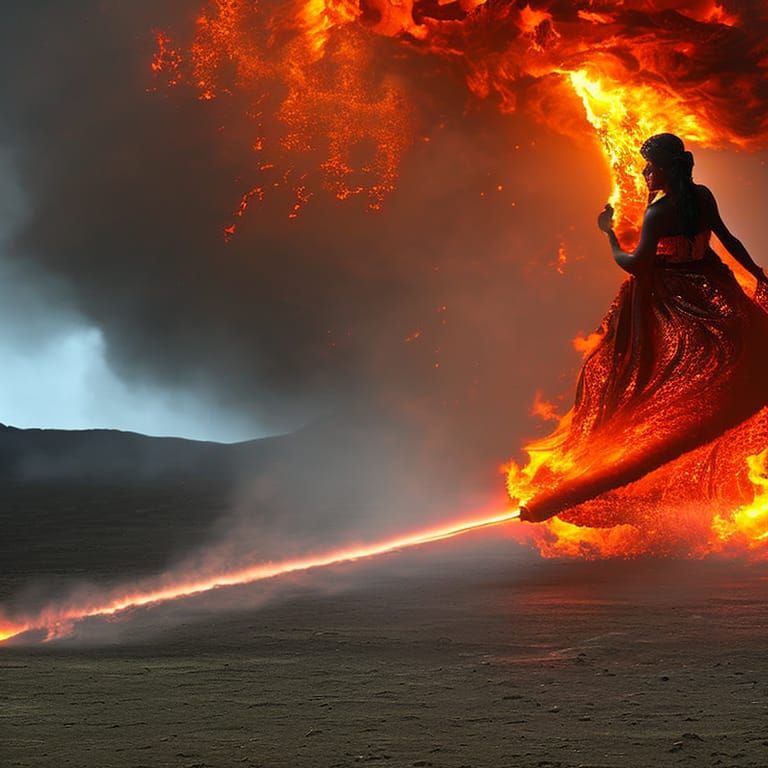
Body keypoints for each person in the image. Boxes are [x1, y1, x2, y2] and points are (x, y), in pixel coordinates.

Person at [516, 133, 768, 523]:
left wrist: (609, 235)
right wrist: (755, 274)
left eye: (650, 166)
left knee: (636, 370)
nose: (645, 172)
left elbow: (636, 265)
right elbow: (728, 239)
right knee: (725, 354)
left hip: (671, 294)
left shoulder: (660, 212)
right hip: (711, 281)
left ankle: (621, 445)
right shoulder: (703, 196)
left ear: (667, 168)